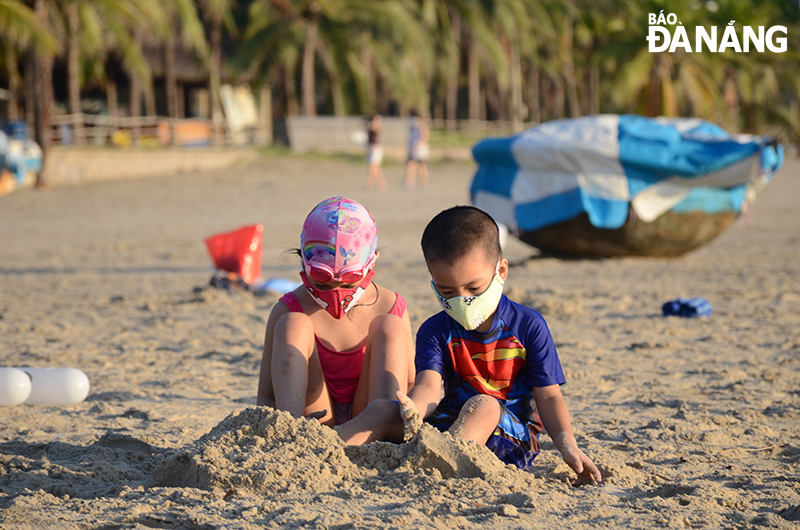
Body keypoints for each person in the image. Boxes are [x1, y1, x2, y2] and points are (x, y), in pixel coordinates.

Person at [338, 206, 601, 486]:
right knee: (382, 409)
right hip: (450, 423)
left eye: (473, 289)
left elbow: (548, 396)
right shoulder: (434, 329)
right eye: (447, 292)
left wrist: (567, 446)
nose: (461, 300)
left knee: (484, 404)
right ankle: (326, 448)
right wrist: (412, 408)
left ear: (500, 270)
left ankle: (439, 461)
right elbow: (429, 386)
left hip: (509, 436)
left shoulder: (529, 325)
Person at [257, 197, 415, 426]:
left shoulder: (391, 306)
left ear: (373, 263)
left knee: (390, 326)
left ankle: (383, 430)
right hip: (313, 418)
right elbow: (267, 396)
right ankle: (291, 430)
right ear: (302, 260)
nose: (337, 293)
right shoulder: (288, 308)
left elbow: (409, 383)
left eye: (350, 282)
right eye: (322, 282)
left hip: (372, 418)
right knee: (292, 324)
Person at [404, 109, 429, 190]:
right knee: (412, 165)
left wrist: (420, 144)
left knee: (421, 166)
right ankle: (410, 182)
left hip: (420, 149)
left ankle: (422, 183)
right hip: (414, 149)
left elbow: (425, 135)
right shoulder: (413, 126)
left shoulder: (422, 125)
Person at [364, 115, 386, 190]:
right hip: (371, 147)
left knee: (373, 166)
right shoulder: (371, 126)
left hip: (375, 148)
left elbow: (373, 127)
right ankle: (376, 182)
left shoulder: (376, 127)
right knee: (376, 166)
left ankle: (377, 183)